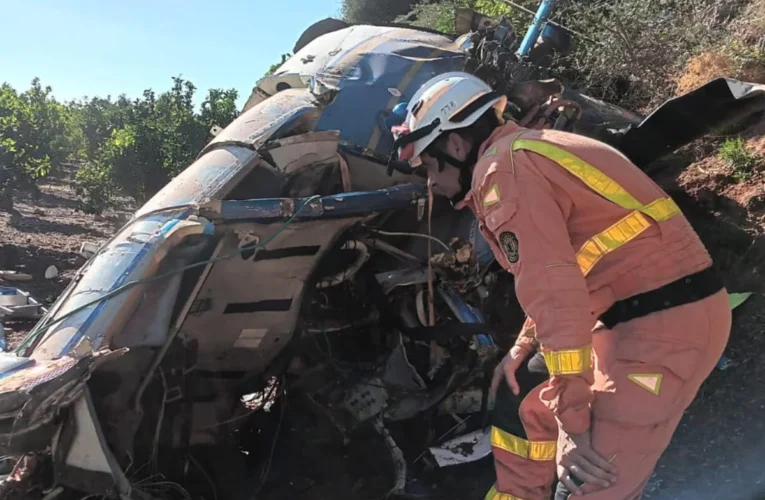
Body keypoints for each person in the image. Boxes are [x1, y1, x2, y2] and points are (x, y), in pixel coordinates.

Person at [389, 72, 731, 500]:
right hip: (636, 317)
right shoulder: (525, 151)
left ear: (455, 145)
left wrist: (575, 425)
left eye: (429, 164)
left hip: (659, 335)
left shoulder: (502, 173)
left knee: (589, 484)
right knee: (520, 389)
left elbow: (555, 294)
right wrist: (522, 347)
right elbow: (561, 275)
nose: (430, 182)